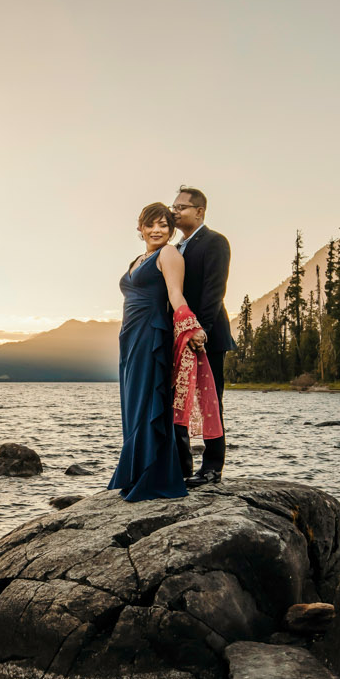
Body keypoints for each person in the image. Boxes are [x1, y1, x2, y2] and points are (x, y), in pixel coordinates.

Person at [109, 202, 193, 502]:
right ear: (140, 227)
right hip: (129, 337)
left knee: (148, 401)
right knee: (133, 404)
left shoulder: (168, 254)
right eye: (151, 224)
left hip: (150, 333)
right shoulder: (138, 258)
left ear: (171, 230)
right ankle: (135, 474)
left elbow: (175, 292)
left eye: (164, 225)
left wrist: (189, 323)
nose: (157, 230)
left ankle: (154, 477)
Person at [170, 186, 233, 485]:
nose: (175, 211)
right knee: (177, 399)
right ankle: (182, 467)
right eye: (174, 206)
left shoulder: (215, 242)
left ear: (200, 211)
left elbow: (214, 290)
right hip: (177, 337)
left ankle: (212, 469)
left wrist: (201, 331)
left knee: (210, 401)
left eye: (181, 207)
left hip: (206, 336)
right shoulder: (174, 248)